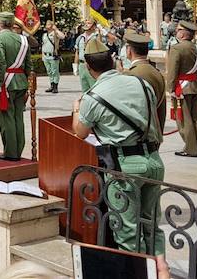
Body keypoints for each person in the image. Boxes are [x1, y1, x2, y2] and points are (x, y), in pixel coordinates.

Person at [72, 45, 165, 257]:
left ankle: (137, 272)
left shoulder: (93, 96)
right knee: (152, 227)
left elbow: (80, 132)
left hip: (125, 166)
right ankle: (160, 271)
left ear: (88, 67)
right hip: (153, 159)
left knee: (128, 233)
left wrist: (76, 109)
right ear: (113, 61)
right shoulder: (141, 83)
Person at [0, 12, 31, 162]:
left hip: (6, 82)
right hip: (21, 81)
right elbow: (29, 65)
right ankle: (18, 149)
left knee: (6, 118)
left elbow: (0, 63)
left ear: (0, 23)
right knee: (18, 117)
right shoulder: (23, 39)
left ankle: (10, 152)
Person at [166, 20, 197, 158]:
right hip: (194, 86)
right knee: (196, 119)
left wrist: (170, 88)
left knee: (184, 120)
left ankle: (190, 149)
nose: (176, 32)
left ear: (182, 34)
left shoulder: (177, 48)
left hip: (181, 89)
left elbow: (172, 70)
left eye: (178, 30)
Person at [123, 32, 167, 137]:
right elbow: (161, 109)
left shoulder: (132, 75)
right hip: (154, 132)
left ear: (129, 50)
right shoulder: (156, 72)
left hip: (139, 135)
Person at [74, 19, 99, 92]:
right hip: (82, 65)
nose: (86, 25)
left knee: (94, 87)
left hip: (92, 65)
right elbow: (77, 52)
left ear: (94, 26)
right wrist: (75, 65)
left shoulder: (96, 37)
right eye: (86, 23)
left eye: (89, 23)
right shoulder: (80, 37)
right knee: (84, 88)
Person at [41, 20, 65, 93]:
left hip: (53, 55)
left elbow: (63, 36)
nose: (47, 26)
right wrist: (42, 55)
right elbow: (43, 45)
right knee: (49, 71)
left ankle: (55, 86)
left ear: (52, 25)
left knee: (55, 71)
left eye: (48, 24)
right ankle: (51, 85)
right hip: (46, 55)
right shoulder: (44, 35)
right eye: (46, 24)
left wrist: (56, 29)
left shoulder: (55, 33)